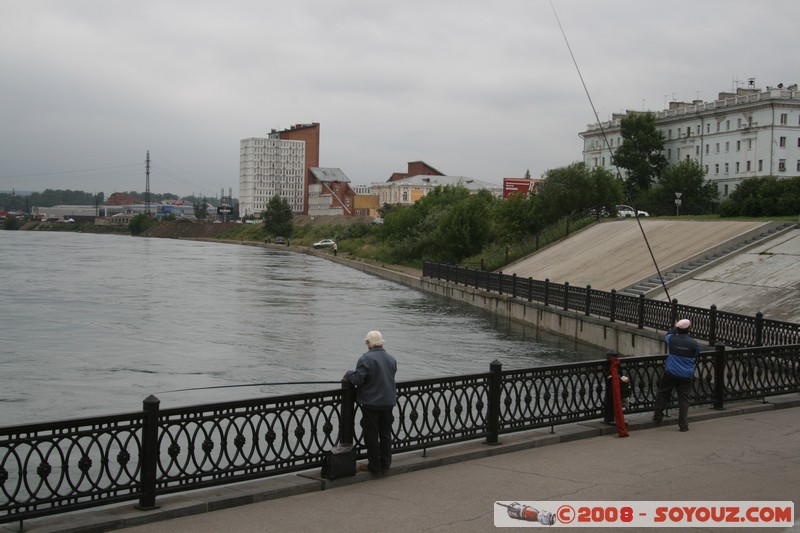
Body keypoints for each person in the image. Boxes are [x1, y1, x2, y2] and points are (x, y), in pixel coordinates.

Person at [344, 331, 397, 473]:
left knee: (371, 434)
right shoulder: (391, 358)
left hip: (372, 403)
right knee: (385, 433)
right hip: (388, 401)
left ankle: (374, 465)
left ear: (368, 344)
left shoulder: (366, 359)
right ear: (381, 342)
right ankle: (385, 464)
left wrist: (349, 374)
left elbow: (358, 380)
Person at [653, 319, 700, 432]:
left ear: (678, 329)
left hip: (671, 372)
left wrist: (675, 326)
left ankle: (658, 416)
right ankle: (683, 425)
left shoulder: (672, 339)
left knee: (662, 393)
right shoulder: (693, 343)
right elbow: (696, 353)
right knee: (684, 399)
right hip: (686, 375)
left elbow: (668, 334)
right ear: (689, 329)